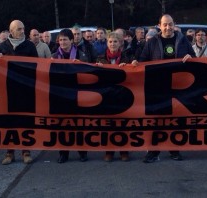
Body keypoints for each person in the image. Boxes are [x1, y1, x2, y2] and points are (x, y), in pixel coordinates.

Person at [132, 14, 195, 163]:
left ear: (174, 24)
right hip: (157, 86)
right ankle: (153, 151)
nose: (168, 27)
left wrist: (191, 58)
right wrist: (134, 63)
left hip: (178, 87)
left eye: (170, 24)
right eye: (165, 24)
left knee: (175, 120)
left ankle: (174, 149)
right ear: (159, 25)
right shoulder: (153, 41)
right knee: (156, 120)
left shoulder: (183, 39)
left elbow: (192, 56)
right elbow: (143, 60)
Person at [0, 20, 39, 165]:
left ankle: (26, 151)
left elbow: (37, 66)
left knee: (25, 119)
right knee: (10, 121)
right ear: (11, 31)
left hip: (25, 88)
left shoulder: (29, 45)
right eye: (19, 29)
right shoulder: (3, 46)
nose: (22, 31)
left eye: (23, 28)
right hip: (8, 89)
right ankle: (10, 152)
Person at [52, 28, 90, 163]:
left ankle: (82, 152)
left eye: (65, 40)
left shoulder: (81, 55)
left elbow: (88, 73)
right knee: (62, 125)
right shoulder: (54, 56)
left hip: (77, 94)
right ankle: (63, 153)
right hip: (60, 95)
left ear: (71, 40)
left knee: (79, 124)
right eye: (60, 40)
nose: (62, 42)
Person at [95, 32, 134, 162]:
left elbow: (134, 74)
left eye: (115, 42)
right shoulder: (100, 59)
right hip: (106, 96)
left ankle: (124, 151)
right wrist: (98, 69)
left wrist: (129, 67)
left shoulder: (126, 58)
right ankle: (109, 152)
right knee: (108, 125)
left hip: (122, 95)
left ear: (120, 43)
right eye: (110, 42)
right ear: (107, 43)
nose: (113, 44)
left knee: (123, 125)